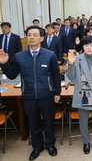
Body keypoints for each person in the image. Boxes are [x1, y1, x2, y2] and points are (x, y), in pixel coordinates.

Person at [0, 26, 61, 160]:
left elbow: (56, 76)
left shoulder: (49, 54)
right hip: (28, 96)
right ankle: (37, 146)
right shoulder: (19, 56)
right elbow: (11, 75)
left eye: (35, 35)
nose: (31, 37)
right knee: (33, 124)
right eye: (29, 35)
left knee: (49, 122)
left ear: (41, 38)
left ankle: (50, 144)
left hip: (47, 95)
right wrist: (4, 64)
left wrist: (57, 93)